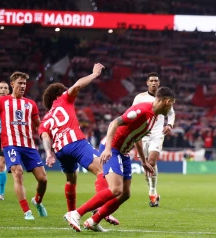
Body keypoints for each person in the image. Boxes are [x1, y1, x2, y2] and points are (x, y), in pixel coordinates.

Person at [63, 87, 175, 232]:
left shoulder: (155, 117)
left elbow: (136, 137)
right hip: (113, 148)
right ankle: (76, 214)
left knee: (125, 194)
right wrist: (108, 148)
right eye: (171, 104)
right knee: (116, 189)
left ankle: (93, 221)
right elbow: (114, 123)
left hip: (124, 152)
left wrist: (143, 161)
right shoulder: (141, 110)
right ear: (166, 101)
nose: (171, 108)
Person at [39, 63, 119, 225]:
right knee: (102, 170)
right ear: (57, 95)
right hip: (75, 142)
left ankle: (71, 213)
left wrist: (48, 154)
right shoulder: (63, 99)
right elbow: (77, 86)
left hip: (60, 150)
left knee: (71, 180)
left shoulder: (45, 119)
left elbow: (45, 136)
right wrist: (94, 74)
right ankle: (101, 209)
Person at [0, 72, 48, 220]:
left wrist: (45, 134)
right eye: (20, 83)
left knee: (43, 179)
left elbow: (38, 125)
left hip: (28, 145)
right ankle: (27, 211)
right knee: (18, 173)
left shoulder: (31, 104)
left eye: (24, 84)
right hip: (10, 145)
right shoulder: (2, 101)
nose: (23, 86)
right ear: (12, 84)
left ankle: (37, 201)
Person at [132, 72, 175, 207]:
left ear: (159, 83)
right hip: (142, 134)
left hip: (157, 133)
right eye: (151, 81)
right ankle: (153, 189)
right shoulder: (140, 98)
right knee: (146, 167)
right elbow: (132, 112)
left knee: (151, 161)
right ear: (147, 83)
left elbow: (171, 112)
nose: (154, 83)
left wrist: (169, 124)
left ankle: (152, 191)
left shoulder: (164, 98)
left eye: (156, 81)